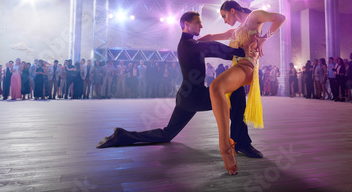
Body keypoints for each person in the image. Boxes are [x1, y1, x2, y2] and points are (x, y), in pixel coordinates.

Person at [96, 12, 263, 168]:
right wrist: (240, 51)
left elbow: (216, 51)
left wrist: (237, 53)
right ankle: (241, 143)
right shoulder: (188, 44)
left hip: (186, 97)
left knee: (166, 134)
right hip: (194, 97)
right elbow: (213, 47)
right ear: (186, 24)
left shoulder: (192, 45)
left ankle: (121, 135)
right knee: (237, 94)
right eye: (198, 23)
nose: (201, 26)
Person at [198, 0, 285, 175]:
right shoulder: (235, 30)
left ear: (232, 10)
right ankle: (240, 143)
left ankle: (225, 144)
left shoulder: (254, 17)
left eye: (224, 16)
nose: (224, 20)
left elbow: (280, 17)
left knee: (216, 87)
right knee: (236, 110)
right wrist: (193, 42)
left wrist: (264, 39)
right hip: (235, 70)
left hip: (246, 68)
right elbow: (211, 37)